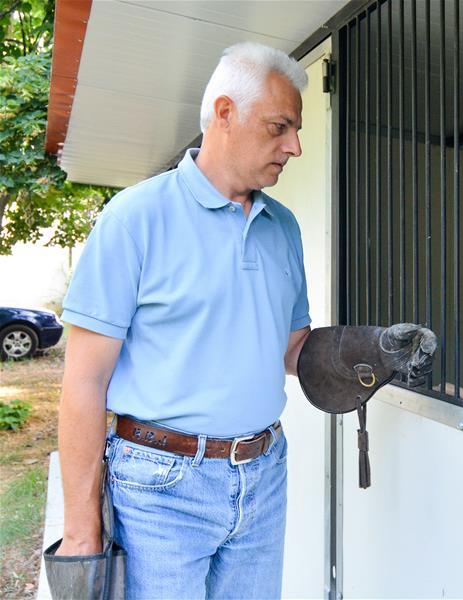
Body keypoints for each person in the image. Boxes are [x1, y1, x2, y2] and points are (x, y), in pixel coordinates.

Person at [55, 42, 317, 598]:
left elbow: (292, 346)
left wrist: (361, 353)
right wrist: (81, 532)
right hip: (158, 488)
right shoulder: (134, 218)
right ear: (224, 114)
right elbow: (85, 380)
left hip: (263, 474)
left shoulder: (283, 228)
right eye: (279, 127)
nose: (294, 146)